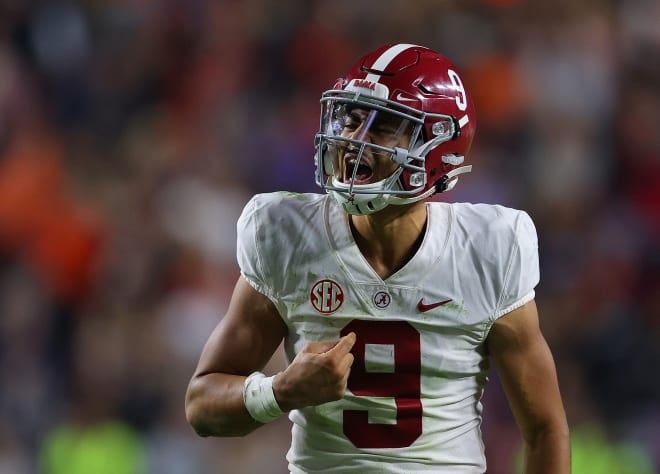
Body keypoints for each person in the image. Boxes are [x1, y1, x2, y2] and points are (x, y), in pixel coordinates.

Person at [185, 43, 571, 473]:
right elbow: (202, 405)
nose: (353, 140)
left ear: (438, 146)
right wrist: (279, 391)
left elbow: (545, 430)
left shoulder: (488, 247)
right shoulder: (286, 234)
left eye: (383, 126)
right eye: (351, 120)